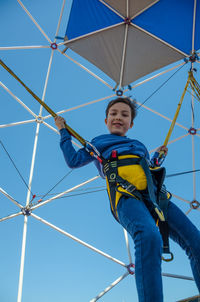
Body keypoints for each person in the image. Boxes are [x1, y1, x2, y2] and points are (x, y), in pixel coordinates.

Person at [55, 97, 200, 302]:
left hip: (155, 196)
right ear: (106, 120)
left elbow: (148, 167)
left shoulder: (138, 145)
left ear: (131, 124)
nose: (118, 118)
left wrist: (158, 157)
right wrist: (63, 132)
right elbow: (73, 160)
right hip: (126, 195)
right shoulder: (98, 142)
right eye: (114, 114)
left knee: (196, 242)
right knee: (149, 236)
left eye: (125, 115)